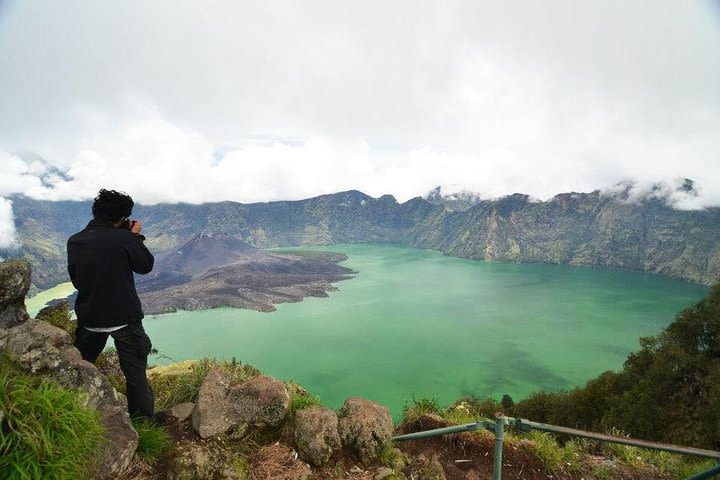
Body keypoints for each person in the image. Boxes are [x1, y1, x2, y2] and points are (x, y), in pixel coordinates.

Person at [67, 189, 161, 423]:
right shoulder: (124, 238)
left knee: (80, 367)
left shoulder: (75, 241)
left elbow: (77, 279)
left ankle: (71, 413)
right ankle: (143, 423)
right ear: (121, 219)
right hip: (124, 317)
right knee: (135, 373)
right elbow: (145, 265)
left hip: (90, 318)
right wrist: (135, 237)